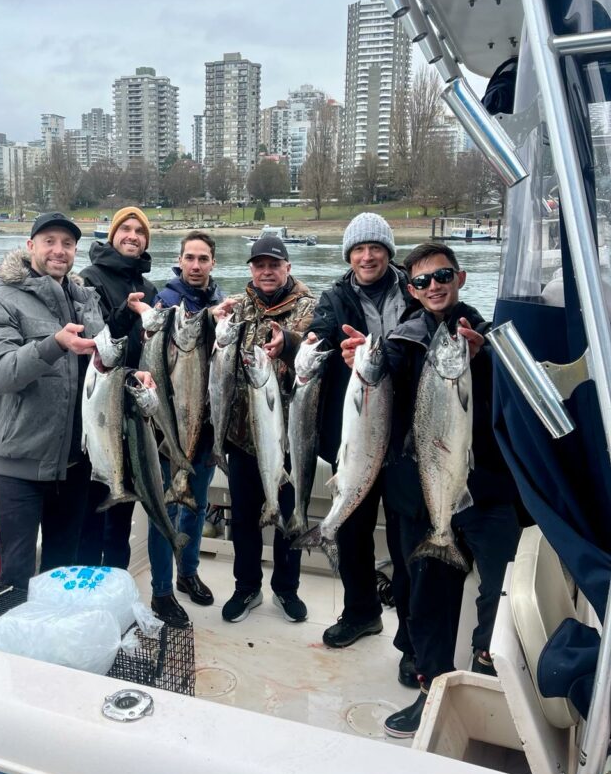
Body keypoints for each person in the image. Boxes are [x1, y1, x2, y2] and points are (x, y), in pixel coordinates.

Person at [344, 241, 521, 739]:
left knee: (500, 589)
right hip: (424, 496)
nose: (433, 286)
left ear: (460, 278)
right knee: (426, 595)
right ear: (412, 290)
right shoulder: (402, 343)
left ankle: (488, 669)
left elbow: (518, 409)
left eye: (442, 275)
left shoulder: (492, 339)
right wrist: (361, 363)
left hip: (486, 494)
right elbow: (379, 401)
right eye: (421, 281)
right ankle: (432, 686)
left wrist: (484, 361)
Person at [304, 212, 418, 688]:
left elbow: (432, 335)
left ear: (389, 253)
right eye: (358, 250)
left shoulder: (414, 290)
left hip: (407, 440)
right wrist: (305, 343)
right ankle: (361, 613)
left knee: (405, 543)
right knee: (351, 535)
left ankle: (412, 642)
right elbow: (321, 335)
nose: (367, 256)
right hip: (352, 438)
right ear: (348, 255)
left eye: (375, 248)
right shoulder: (335, 296)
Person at [0, 211, 104, 590]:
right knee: (15, 574)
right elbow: (0, 373)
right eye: (49, 241)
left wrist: (131, 377)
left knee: (61, 570)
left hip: (74, 465)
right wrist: (53, 344)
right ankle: (9, 647)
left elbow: (100, 367)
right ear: (31, 246)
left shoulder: (85, 302)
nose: (58, 251)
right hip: (18, 464)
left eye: (67, 244)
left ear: (75, 251)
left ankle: (47, 645)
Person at [216, 235, 316, 624]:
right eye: (259, 265)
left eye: (274, 264)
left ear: (288, 268)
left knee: (289, 516)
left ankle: (286, 590)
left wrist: (288, 342)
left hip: (290, 437)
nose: (267, 271)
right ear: (251, 270)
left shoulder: (310, 307)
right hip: (242, 435)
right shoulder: (236, 309)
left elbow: (314, 344)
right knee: (243, 517)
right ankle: (246, 587)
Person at [147, 230, 224, 627]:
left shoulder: (221, 300)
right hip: (170, 429)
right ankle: (161, 591)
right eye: (189, 258)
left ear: (213, 263)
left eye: (203, 259)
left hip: (206, 427)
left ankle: (187, 572)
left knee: (194, 507)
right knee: (165, 510)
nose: (196, 266)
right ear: (180, 261)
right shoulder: (167, 301)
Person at [77, 206, 157, 568]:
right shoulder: (88, 279)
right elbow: (97, 338)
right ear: (112, 235)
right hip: (101, 406)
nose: (133, 236)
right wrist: (127, 311)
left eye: (140, 231)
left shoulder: (149, 286)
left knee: (122, 515)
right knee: (93, 513)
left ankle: (116, 584)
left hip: (134, 410)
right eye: (125, 228)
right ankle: (90, 590)